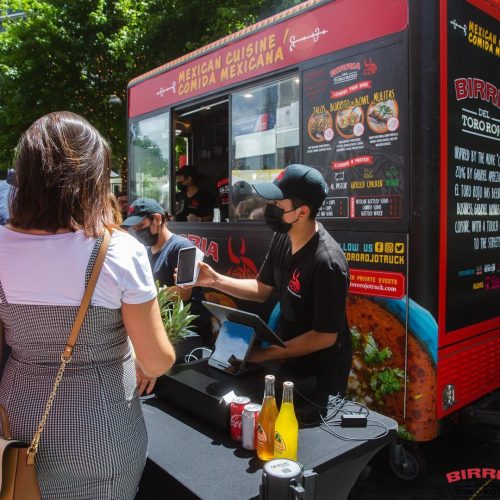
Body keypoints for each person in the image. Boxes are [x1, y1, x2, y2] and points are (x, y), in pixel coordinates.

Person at [0, 111, 175, 499]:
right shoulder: (119, 251)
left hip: (14, 419)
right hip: (101, 427)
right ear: (93, 178)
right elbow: (157, 361)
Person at [193, 164, 352, 407]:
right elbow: (261, 289)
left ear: (302, 212)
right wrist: (214, 279)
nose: (270, 208)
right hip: (288, 360)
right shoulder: (283, 238)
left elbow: (324, 337)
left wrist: (265, 354)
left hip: (320, 374)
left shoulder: (327, 262)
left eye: (278, 204)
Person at [122, 198, 213, 347]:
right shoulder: (147, 251)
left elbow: (184, 292)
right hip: (164, 332)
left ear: (157, 219)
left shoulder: (183, 247)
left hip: (189, 335)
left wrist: (144, 294)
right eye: (135, 228)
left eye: (141, 226)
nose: (138, 232)